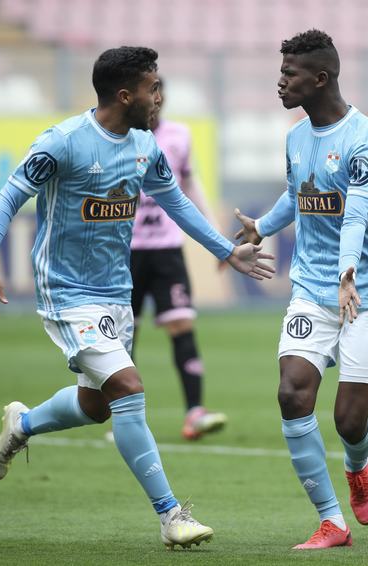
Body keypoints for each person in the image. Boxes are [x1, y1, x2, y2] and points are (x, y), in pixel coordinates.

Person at [0, 46, 273, 549]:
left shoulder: (145, 146)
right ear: (126, 95)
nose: (159, 97)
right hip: (67, 292)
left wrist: (226, 251)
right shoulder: (63, 143)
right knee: (128, 387)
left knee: (96, 405)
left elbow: (176, 203)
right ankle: (171, 516)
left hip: (115, 293)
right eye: (153, 88)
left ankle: (22, 424)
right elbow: (7, 200)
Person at [235, 29, 368, 549]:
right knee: (291, 392)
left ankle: (358, 464)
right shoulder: (296, 137)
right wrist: (263, 226)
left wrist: (348, 272)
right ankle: (332, 521)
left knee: (349, 421)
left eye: (290, 74)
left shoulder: (367, 141)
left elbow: (356, 215)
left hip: (367, 291)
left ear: (321, 78)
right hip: (310, 287)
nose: (280, 82)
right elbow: (298, 194)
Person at [130, 78, 226, 440]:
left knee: (182, 324)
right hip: (124, 251)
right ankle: (125, 420)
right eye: (150, 92)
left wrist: (216, 236)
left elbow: (190, 185)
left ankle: (195, 412)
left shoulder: (178, 136)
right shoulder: (119, 137)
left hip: (167, 249)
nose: (156, 100)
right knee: (123, 334)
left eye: (160, 93)